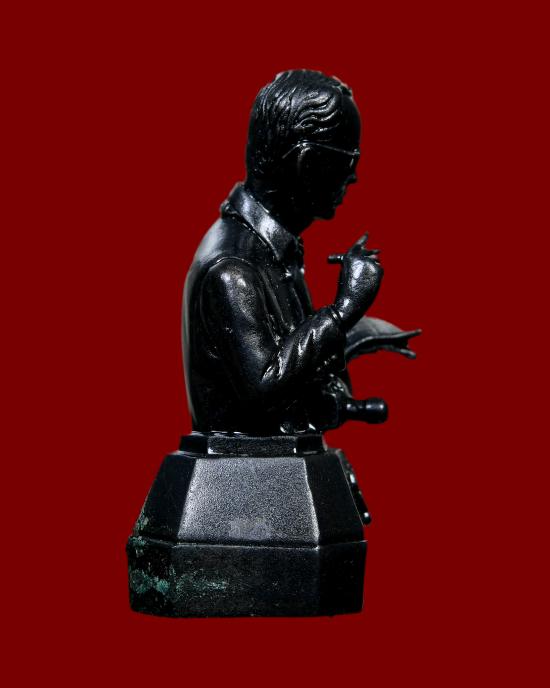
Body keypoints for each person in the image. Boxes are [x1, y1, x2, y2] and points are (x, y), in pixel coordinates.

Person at [183, 70, 384, 435]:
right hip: (248, 469)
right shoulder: (233, 270)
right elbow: (265, 386)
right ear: (307, 164)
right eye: (347, 161)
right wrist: (343, 311)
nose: (353, 177)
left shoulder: (275, 251)